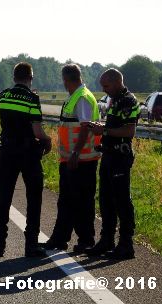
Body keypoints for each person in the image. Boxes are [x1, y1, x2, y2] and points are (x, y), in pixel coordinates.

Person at [0, 62, 52, 258]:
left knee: (4, 198)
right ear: (30, 77)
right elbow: (37, 130)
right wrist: (47, 139)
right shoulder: (32, 98)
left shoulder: (4, 95)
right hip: (28, 153)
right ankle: (31, 245)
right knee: (34, 198)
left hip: (7, 151)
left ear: (14, 77)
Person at [44, 64, 101, 253]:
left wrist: (75, 153)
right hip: (72, 159)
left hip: (81, 159)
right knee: (67, 201)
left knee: (82, 202)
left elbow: (85, 127)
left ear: (66, 79)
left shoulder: (82, 97)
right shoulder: (75, 96)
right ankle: (60, 238)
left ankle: (86, 240)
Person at [86, 68, 139, 260]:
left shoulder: (128, 101)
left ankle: (126, 244)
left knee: (122, 201)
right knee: (106, 200)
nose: (104, 89)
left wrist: (104, 131)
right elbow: (112, 127)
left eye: (106, 85)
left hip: (120, 158)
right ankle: (106, 240)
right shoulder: (114, 99)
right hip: (108, 155)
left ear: (117, 82)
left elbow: (128, 131)